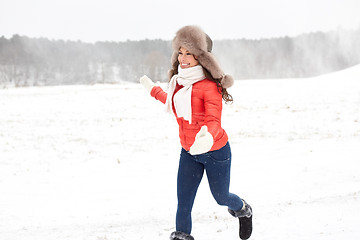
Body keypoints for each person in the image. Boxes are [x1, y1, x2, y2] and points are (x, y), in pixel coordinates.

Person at [139, 25, 253, 240]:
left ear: (201, 57)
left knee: (221, 197)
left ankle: (243, 209)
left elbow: (213, 120)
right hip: (189, 152)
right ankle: (182, 235)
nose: (183, 58)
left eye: (189, 53)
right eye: (180, 52)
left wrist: (207, 136)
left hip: (215, 152)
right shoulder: (179, 83)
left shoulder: (209, 87)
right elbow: (172, 102)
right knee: (184, 201)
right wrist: (153, 90)